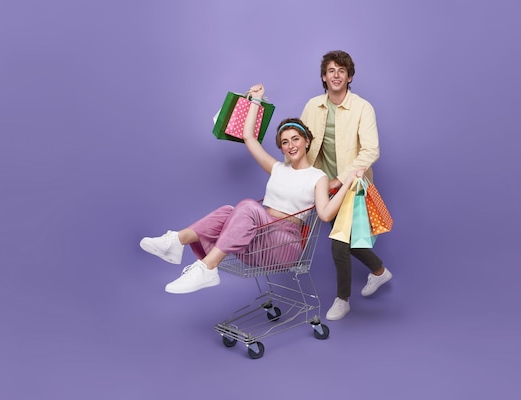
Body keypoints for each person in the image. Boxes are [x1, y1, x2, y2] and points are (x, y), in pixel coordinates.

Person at [140, 83, 363, 294]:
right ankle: (177, 241)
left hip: (285, 245)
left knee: (247, 206)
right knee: (229, 211)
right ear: (282, 148)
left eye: (295, 139)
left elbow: (324, 214)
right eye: (285, 142)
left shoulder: (318, 177)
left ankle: (207, 267)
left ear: (306, 141)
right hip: (258, 241)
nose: (291, 145)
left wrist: (349, 181)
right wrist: (255, 101)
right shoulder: (277, 168)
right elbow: (249, 138)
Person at [301, 50, 392, 321]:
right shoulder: (312, 106)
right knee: (348, 239)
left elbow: (371, 150)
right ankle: (379, 272)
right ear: (324, 77)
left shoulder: (363, 107)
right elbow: (300, 142)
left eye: (342, 70)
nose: (336, 75)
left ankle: (343, 299)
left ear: (349, 76)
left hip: (351, 186)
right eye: (331, 70)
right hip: (321, 187)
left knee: (339, 243)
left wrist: (341, 179)